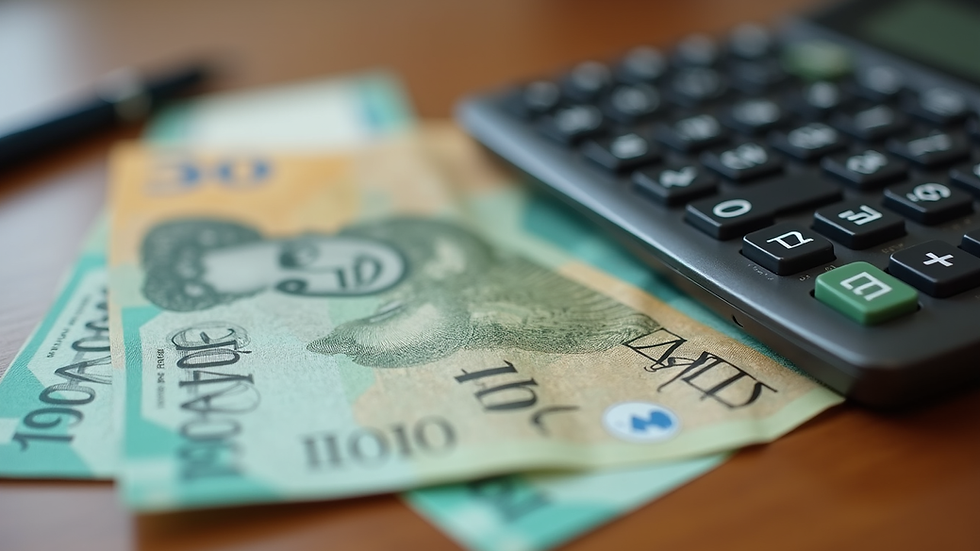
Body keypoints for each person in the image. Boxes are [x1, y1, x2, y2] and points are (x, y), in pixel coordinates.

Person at [141, 217, 660, 368]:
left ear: (310, 233)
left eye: (298, 258)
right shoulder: (403, 316)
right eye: (295, 283)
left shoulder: (424, 240)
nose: (327, 275)